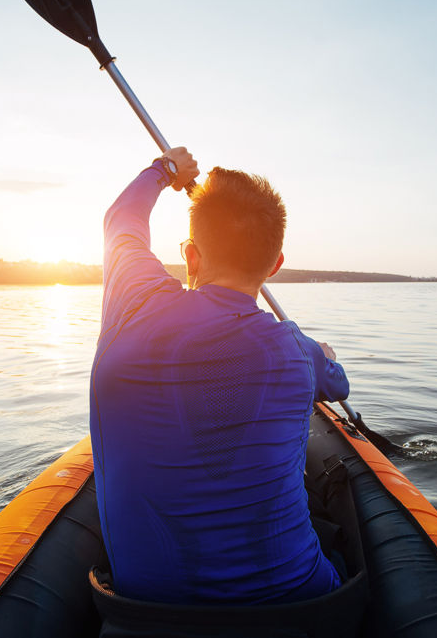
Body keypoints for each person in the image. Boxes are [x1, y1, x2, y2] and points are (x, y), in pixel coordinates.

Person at [89, 147, 350, 606]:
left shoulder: (134, 302)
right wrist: (324, 355)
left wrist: (166, 171)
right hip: (303, 609)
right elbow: (340, 386)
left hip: (148, 613)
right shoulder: (298, 350)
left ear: (190, 255)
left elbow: (121, 220)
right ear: (274, 266)